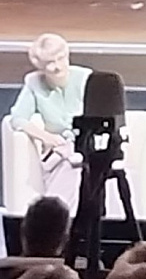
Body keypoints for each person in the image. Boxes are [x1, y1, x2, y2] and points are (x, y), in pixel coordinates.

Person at [9, 33, 92, 211]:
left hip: (86, 147)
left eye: (61, 58)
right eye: (50, 63)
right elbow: (18, 119)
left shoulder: (86, 78)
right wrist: (46, 137)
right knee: (70, 165)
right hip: (58, 151)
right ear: (40, 66)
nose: (57, 67)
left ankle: (56, 216)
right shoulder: (34, 83)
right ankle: (60, 216)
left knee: (79, 164)